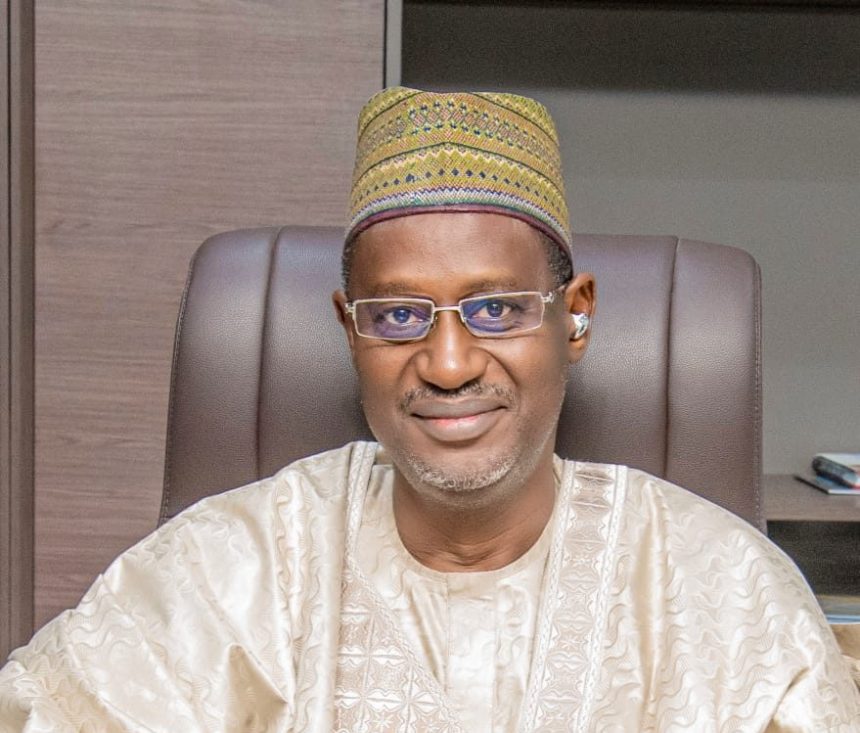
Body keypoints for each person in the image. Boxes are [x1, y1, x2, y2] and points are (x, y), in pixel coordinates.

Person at [1, 87, 857, 732]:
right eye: (399, 315)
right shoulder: (228, 570)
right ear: (350, 329)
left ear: (576, 317)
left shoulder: (721, 592)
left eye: (498, 308)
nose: (449, 364)